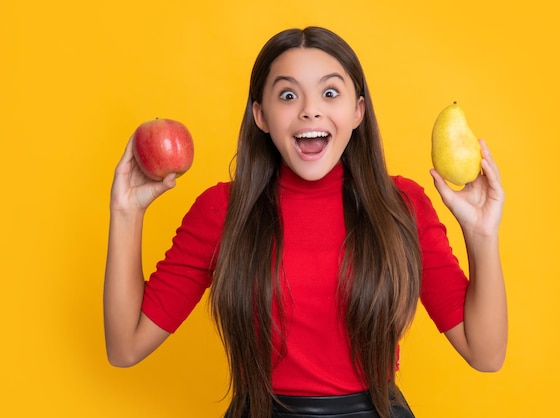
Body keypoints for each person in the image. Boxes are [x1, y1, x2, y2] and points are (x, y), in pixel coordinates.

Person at [104, 26, 507, 418]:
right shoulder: (222, 210)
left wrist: (481, 233)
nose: (310, 109)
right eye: (288, 94)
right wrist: (126, 212)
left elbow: (485, 353)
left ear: (357, 111)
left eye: (330, 93)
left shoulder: (400, 204)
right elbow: (125, 347)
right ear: (261, 115)